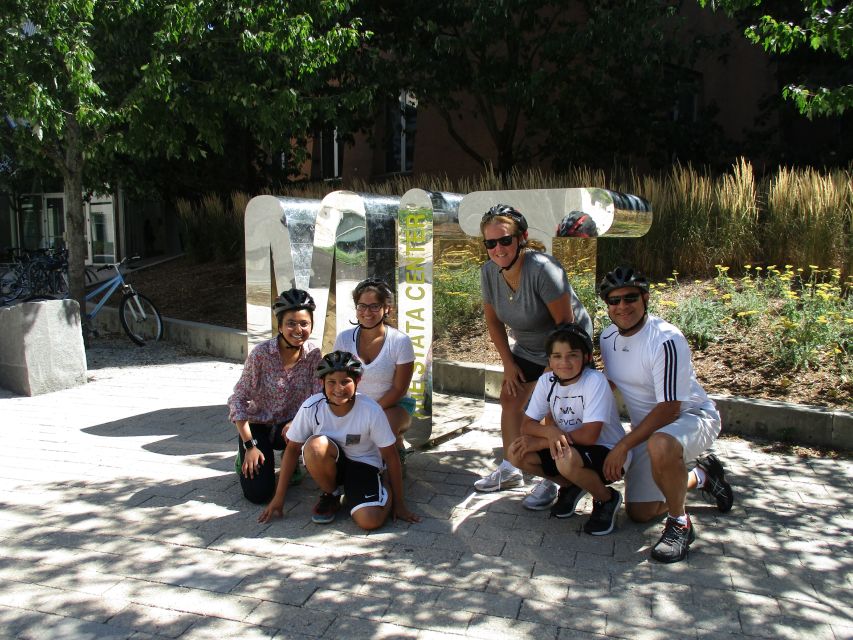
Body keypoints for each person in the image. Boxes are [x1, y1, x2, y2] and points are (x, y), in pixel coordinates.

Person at [598, 266, 734, 563]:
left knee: (661, 443)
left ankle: (680, 524)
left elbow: (670, 408)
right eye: (614, 300)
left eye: (630, 298)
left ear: (645, 298)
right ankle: (702, 476)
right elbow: (611, 383)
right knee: (640, 513)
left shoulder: (665, 339)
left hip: (692, 418)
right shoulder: (607, 338)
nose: (622, 306)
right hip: (650, 431)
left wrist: (623, 445)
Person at [474, 204, 593, 512]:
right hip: (528, 346)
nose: (498, 249)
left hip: (566, 346)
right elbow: (493, 322)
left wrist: (549, 375)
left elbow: (565, 328)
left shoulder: (543, 270)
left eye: (505, 240)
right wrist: (509, 364)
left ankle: (554, 477)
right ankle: (512, 467)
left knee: (552, 409)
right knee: (510, 396)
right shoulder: (489, 272)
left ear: (522, 238)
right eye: (490, 243)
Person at [258, 350, 420, 529]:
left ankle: (382, 486)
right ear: (322, 383)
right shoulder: (311, 406)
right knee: (314, 446)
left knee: (370, 522)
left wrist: (400, 504)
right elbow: (292, 450)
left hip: (363, 465)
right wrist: (278, 498)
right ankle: (331, 495)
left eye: (346, 382)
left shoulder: (371, 410)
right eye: (331, 382)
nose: (338, 388)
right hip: (332, 463)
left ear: (357, 381)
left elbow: (391, 456)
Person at [507, 323, 629, 535]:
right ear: (549, 360)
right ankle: (572, 485)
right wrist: (549, 432)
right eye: (557, 356)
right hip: (570, 447)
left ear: (587, 357)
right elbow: (527, 424)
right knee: (516, 452)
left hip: (608, 452)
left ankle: (606, 499)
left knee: (564, 458)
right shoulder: (547, 381)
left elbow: (590, 436)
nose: (564, 362)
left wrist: (545, 440)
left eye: (572, 355)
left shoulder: (595, 381)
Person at [227, 288, 322, 504]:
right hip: (258, 425)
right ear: (279, 326)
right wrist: (249, 446)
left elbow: (318, 397)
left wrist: (298, 423)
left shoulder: (314, 354)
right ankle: (244, 453)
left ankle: (293, 459)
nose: (298, 329)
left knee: (309, 428)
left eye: (304, 323)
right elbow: (238, 399)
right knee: (258, 495)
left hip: (290, 426)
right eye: (291, 323)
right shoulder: (261, 355)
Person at [333, 277, 415, 456]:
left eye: (374, 306)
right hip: (354, 405)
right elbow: (337, 379)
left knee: (380, 430)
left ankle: (395, 451)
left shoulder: (400, 341)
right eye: (362, 306)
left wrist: (369, 413)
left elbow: (399, 389)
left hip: (392, 406)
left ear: (387, 309)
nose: (367, 312)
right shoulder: (344, 339)